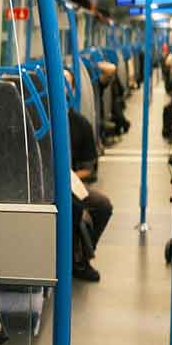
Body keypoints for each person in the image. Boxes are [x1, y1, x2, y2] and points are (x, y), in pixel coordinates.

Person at [64, 69, 113, 281]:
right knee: (73, 208)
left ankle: (80, 258)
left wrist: (71, 176)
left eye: (66, 83)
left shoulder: (80, 124)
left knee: (102, 205)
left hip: (70, 181)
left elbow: (89, 168)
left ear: (73, 89)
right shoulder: (33, 119)